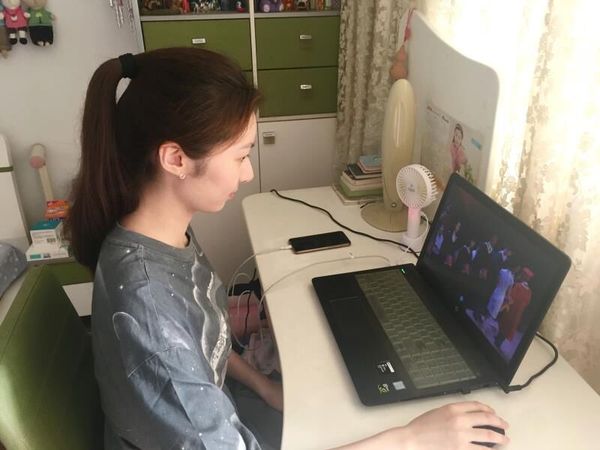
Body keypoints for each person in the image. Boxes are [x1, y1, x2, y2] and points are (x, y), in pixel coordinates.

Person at [66, 48, 509, 450]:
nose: (247, 174)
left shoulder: (161, 232)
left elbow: (201, 341)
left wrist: (263, 386)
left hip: (217, 413)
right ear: (175, 159)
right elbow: (175, 350)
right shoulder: (149, 309)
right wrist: (413, 439)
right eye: (240, 156)